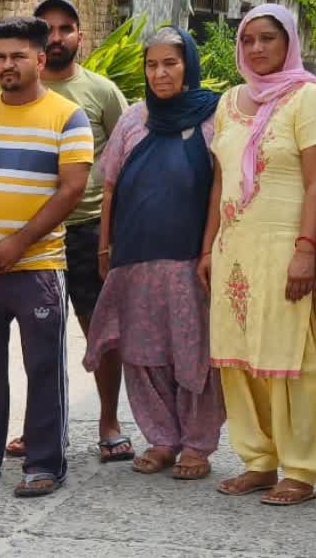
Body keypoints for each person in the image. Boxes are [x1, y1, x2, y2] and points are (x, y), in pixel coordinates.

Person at [0, 16, 93, 498]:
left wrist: (18, 243)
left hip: (39, 267)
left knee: (43, 365)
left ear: (40, 60)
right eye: (0, 56)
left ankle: (45, 463)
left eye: (18, 56)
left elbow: (72, 189)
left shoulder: (67, 116)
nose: (7, 65)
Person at [199, 4, 316, 506]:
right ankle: (258, 461)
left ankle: (300, 469)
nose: (257, 49)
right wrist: (209, 246)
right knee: (239, 358)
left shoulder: (309, 98)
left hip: (285, 246)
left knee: (291, 357)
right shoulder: (230, 101)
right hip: (234, 247)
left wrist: (308, 249)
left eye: (268, 39)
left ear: (289, 42)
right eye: (249, 40)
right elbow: (220, 179)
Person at [85, 26, 225, 480]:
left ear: (189, 65)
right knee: (142, 352)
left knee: (193, 352)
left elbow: (218, 192)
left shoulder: (213, 117)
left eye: (171, 62)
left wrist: (208, 250)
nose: (160, 73)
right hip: (135, 254)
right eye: (152, 65)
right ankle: (162, 438)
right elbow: (110, 187)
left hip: (188, 257)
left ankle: (198, 444)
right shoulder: (133, 119)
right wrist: (105, 246)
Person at [3, 0, 132, 462]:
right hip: (31, 234)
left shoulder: (102, 92)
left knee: (100, 332)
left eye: (65, 28)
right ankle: (38, 426)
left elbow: (125, 162)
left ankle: (109, 422)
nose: (56, 37)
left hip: (88, 233)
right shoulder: (14, 94)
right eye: (47, 29)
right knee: (38, 335)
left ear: (81, 35)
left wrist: (113, 234)